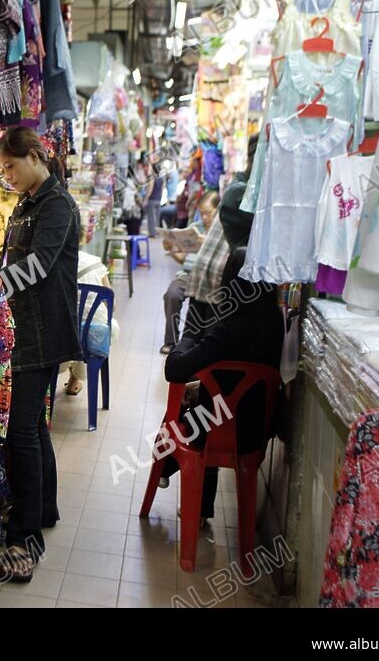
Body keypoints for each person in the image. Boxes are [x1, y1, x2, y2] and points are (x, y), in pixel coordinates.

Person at [0, 126, 82, 582]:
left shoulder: (58, 204)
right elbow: (11, 258)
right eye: (2, 168)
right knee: (33, 427)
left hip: (42, 330)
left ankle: (25, 540)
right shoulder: (28, 201)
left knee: (20, 430)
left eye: (11, 166)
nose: (7, 176)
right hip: (25, 325)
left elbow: (39, 265)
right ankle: (44, 509)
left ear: (36, 156)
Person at [161, 246, 283, 527]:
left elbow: (175, 370)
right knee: (206, 406)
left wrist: (189, 335)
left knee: (187, 410)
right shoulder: (277, 326)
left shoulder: (229, 328)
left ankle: (166, 467)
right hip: (256, 434)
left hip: (218, 428)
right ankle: (173, 476)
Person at [161, 192, 219, 354]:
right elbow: (182, 259)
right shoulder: (195, 229)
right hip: (188, 273)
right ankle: (171, 340)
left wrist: (206, 242)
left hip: (209, 277)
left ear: (217, 210)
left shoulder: (220, 231)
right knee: (171, 295)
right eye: (202, 212)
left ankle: (196, 343)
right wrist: (172, 249)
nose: (205, 217)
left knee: (201, 302)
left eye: (208, 212)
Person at [63, 250, 119, 396]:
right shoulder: (95, 262)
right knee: (88, 328)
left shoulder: (57, 261)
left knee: (74, 326)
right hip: (94, 336)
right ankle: (75, 380)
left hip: (64, 333)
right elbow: (112, 305)